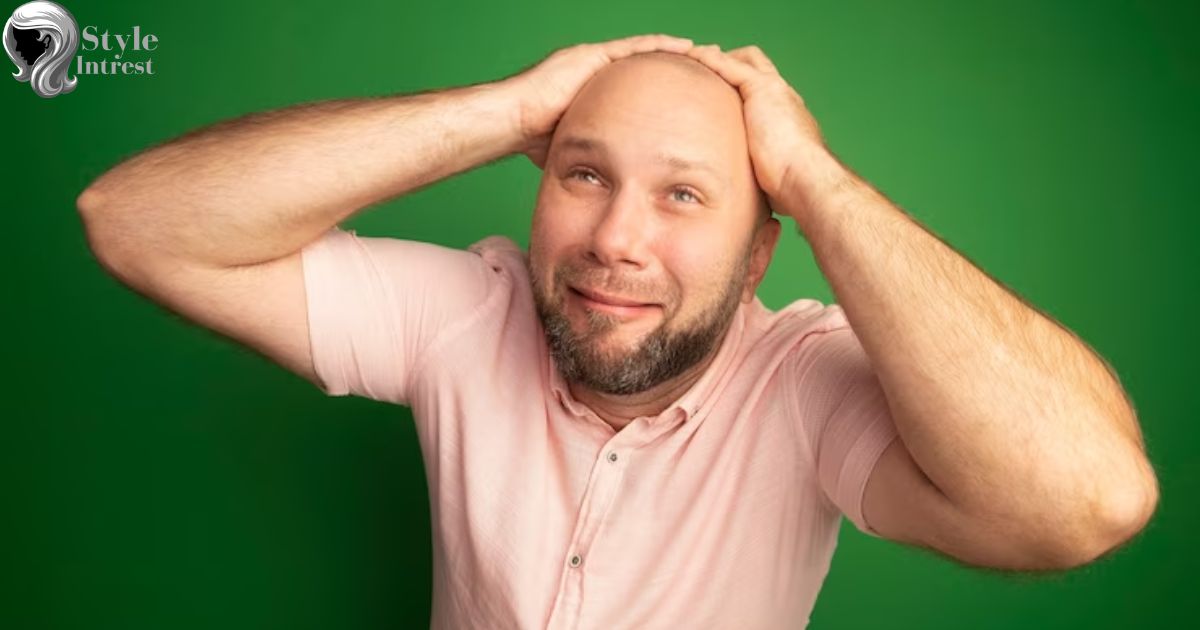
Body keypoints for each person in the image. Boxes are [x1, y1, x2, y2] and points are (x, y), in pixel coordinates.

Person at [76, 33, 1159, 629]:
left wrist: (817, 182)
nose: (616, 240)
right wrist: (507, 111)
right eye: (584, 174)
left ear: (759, 254)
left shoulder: (802, 383)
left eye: (686, 196)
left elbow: (1088, 502)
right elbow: (133, 224)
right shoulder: (469, 313)